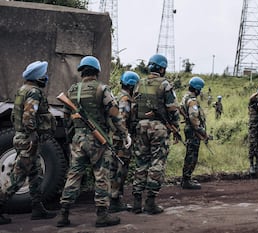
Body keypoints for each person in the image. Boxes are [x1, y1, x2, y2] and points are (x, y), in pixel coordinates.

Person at [56, 56, 131, 228]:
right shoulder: (102, 89)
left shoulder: (72, 90)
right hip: (98, 139)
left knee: (74, 174)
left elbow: (66, 119)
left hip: (78, 139)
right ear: (97, 72)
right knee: (101, 176)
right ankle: (102, 215)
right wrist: (124, 134)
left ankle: (64, 214)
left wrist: (71, 138)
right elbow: (115, 115)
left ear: (82, 71)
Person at [0, 61, 57, 225]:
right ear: (38, 77)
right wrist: (32, 135)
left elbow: (15, 116)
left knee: (36, 174)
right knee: (18, 175)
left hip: (23, 137)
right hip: (28, 140)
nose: (46, 78)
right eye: (44, 75)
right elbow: (28, 116)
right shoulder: (33, 92)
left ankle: (37, 208)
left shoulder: (22, 90)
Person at [132, 54, 179, 215]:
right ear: (161, 68)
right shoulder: (164, 84)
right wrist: (174, 126)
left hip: (141, 126)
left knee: (141, 162)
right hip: (159, 127)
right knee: (157, 162)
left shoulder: (140, 83)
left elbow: (134, 106)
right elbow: (172, 108)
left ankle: (136, 202)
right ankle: (150, 202)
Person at [109, 71, 140, 213]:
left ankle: (113, 198)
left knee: (115, 168)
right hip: (121, 140)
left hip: (116, 138)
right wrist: (126, 136)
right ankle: (114, 200)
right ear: (132, 86)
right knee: (120, 169)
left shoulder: (119, 96)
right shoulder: (125, 99)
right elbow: (122, 119)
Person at [180, 76, 209, 189]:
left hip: (190, 129)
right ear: (197, 89)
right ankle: (186, 180)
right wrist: (202, 132)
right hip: (193, 131)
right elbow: (194, 119)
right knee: (192, 155)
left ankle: (186, 178)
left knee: (189, 154)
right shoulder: (192, 101)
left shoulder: (185, 97)